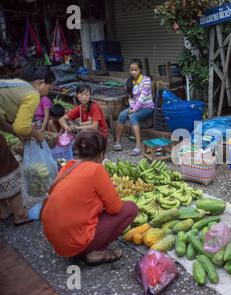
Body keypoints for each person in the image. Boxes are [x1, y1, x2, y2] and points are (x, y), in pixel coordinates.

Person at [40, 131, 138, 265]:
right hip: (74, 243)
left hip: (56, 240)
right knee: (130, 208)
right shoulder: (96, 169)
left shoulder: (67, 167)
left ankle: (78, 248)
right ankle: (93, 252)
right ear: (101, 154)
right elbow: (115, 208)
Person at [0, 64, 54, 226]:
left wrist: (17, 133)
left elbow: (5, 123)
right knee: (8, 168)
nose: (48, 91)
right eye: (50, 87)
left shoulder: (18, 84)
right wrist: (35, 134)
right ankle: (21, 214)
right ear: (42, 83)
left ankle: (3, 210)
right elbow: (22, 127)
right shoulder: (33, 94)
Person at [113, 58, 154, 156]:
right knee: (122, 114)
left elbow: (142, 98)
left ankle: (138, 145)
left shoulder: (146, 80)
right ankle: (118, 142)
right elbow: (130, 98)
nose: (134, 72)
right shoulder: (129, 83)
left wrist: (134, 110)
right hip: (136, 107)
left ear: (140, 70)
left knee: (132, 116)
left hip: (147, 108)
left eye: (136, 70)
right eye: (132, 70)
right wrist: (132, 107)